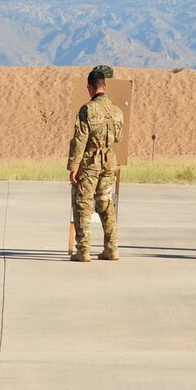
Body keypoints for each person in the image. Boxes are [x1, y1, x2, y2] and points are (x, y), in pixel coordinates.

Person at [67, 68, 124, 262]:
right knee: (106, 203)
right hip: (109, 162)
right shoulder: (117, 110)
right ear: (105, 86)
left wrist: (73, 167)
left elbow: (80, 140)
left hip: (90, 162)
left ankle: (83, 250)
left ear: (89, 87)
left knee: (83, 204)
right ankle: (112, 248)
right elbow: (119, 137)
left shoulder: (87, 109)